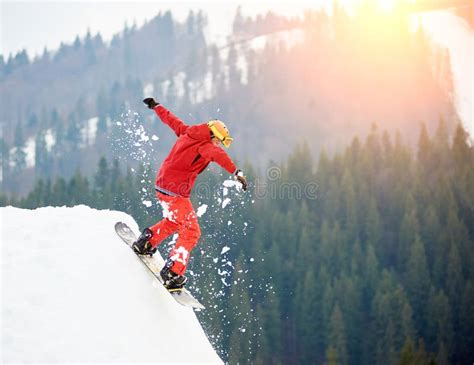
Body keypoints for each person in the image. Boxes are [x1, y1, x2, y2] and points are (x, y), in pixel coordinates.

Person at [132, 97, 248, 290]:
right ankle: (172, 272)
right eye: (218, 141)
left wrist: (156, 106)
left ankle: (146, 242)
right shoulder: (205, 146)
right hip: (175, 192)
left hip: (162, 186)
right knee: (192, 231)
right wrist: (236, 172)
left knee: (175, 221)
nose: (218, 145)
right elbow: (219, 156)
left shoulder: (188, 132)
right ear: (212, 136)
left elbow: (172, 120)